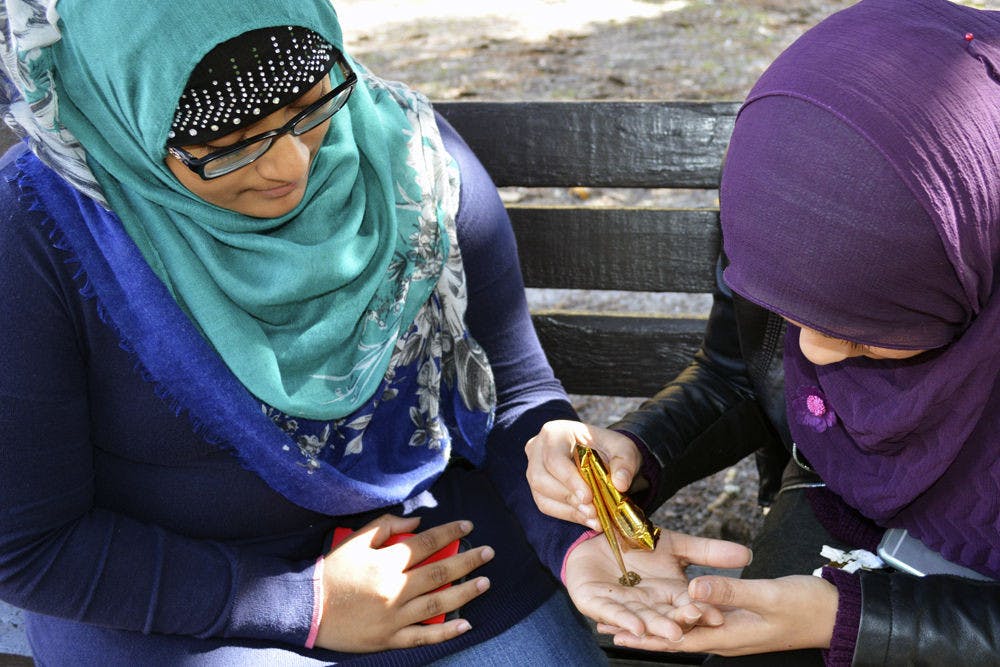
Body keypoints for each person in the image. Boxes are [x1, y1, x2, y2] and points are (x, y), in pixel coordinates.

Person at [0, 0, 755, 664]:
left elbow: (516, 403)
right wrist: (306, 604)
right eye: (229, 144)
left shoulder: (411, 162)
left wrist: (587, 538)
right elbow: (28, 546)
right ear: (121, 118)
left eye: (307, 106)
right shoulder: (41, 235)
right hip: (178, 611)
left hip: (445, 559)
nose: (290, 166)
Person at [525, 0, 1000, 664]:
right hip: (844, 490)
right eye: (792, 314)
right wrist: (633, 455)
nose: (812, 352)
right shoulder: (783, 206)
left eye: (863, 333)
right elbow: (740, 375)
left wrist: (851, 618)